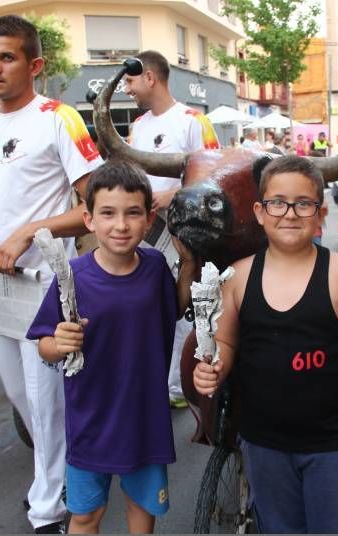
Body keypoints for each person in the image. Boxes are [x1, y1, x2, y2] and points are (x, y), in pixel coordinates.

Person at [0, 15, 103, 534]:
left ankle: (50, 505)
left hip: (48, 284)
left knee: (45, 396)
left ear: (34, 64)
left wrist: (31, 231)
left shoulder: (59, 118)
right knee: (19, 394)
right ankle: (56, 475)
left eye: (6, 57)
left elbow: (98, 206)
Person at [193, 156, 338, 533]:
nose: (290, 213)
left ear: (320, 214)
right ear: (260, 212)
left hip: (335, 443)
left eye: (304, 204)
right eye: (277, 203)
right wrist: (215, 365)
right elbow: (226, 342)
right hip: (264, 442)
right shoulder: (238, 278)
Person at [27, 161, 197, 534]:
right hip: (91, 421)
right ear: (88, 219)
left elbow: (176, 310)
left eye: (133, 213)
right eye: (108, 213)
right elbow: (43, 344)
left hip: (145, 419)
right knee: (86, 517)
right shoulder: (72, 276)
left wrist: (187, 263)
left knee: (142, 513)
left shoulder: (154, 267)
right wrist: (59, 342)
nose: (121, 225)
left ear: (149, 217)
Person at [124, 49, 220, 408]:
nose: (127, 89)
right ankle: (159, 377)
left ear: (150, 76)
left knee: (185, 306)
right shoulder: (138, 126)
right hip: (146, 232)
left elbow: (217, 175)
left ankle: (179, 385)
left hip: (185, 230)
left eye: (131, 80)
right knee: (150, 301)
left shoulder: (194, 120)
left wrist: (172, 195)